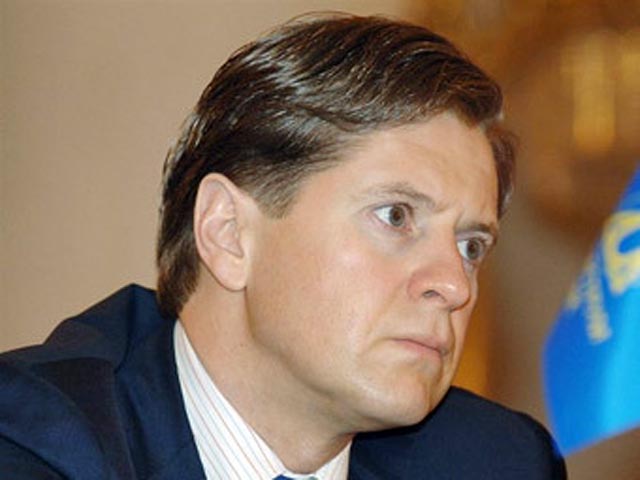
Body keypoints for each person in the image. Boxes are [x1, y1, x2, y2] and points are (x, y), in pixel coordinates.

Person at [0, 13, 566, 479]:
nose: (454, 284)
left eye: (471, 246)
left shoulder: (497, 462)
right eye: (396, 216)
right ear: (228, 233)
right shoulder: (34, 445)